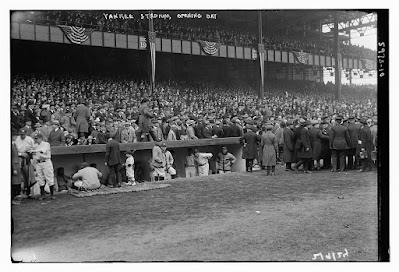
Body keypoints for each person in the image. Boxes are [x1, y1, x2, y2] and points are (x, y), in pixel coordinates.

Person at [31, 133, 56, 200]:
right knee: (40, 179)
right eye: (35, 138)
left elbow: (42, 150)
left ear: (41, 138)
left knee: (49, 178)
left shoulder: (46, 144)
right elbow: (34, 156)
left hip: (46, 162)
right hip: (39, 163)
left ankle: (52, 194)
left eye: (37, 138)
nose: (36, 140)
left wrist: (34, 150)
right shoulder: (35, 145)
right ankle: (42, 195)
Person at [15, 128, 35, 198]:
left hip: (27, 156)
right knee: (19, 174)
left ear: (26, 134)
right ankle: (19, 192)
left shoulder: (29, 139)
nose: (22, 136)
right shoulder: (17, 139)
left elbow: (34, 148)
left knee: (28, 174)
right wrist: (20, 154)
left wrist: (29, 152)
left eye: (23, 135)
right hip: (19, 157)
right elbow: (14, 150)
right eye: (21, 135)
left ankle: (28, 191)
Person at [11, 129, 22, 205]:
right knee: (14, 182)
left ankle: (16, 197)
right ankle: (14, 198)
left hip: (16, 164)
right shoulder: (11, 145)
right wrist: (14, 168)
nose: (16, 137)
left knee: (17, 181)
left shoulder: (14, 144)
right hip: (14, 165)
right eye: (15, 135)